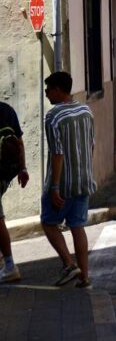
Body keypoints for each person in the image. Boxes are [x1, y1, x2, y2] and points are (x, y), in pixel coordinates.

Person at [41, 72, 96, 288]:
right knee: (77, 226)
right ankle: (85, 277)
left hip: (63, 183)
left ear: (58, 90)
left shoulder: (53, 116)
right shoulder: (86, 110)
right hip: (84, 180)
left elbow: (57, 152)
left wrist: (54, 186)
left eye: (48, 90)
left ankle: (69, 264)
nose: (46, 94)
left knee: (48, 223)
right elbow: (91, 144)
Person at [0, 100, 29, 283]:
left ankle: (10, 265)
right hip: (6, 173)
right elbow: (19, 142)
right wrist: (23, 168)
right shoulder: (6, 110)